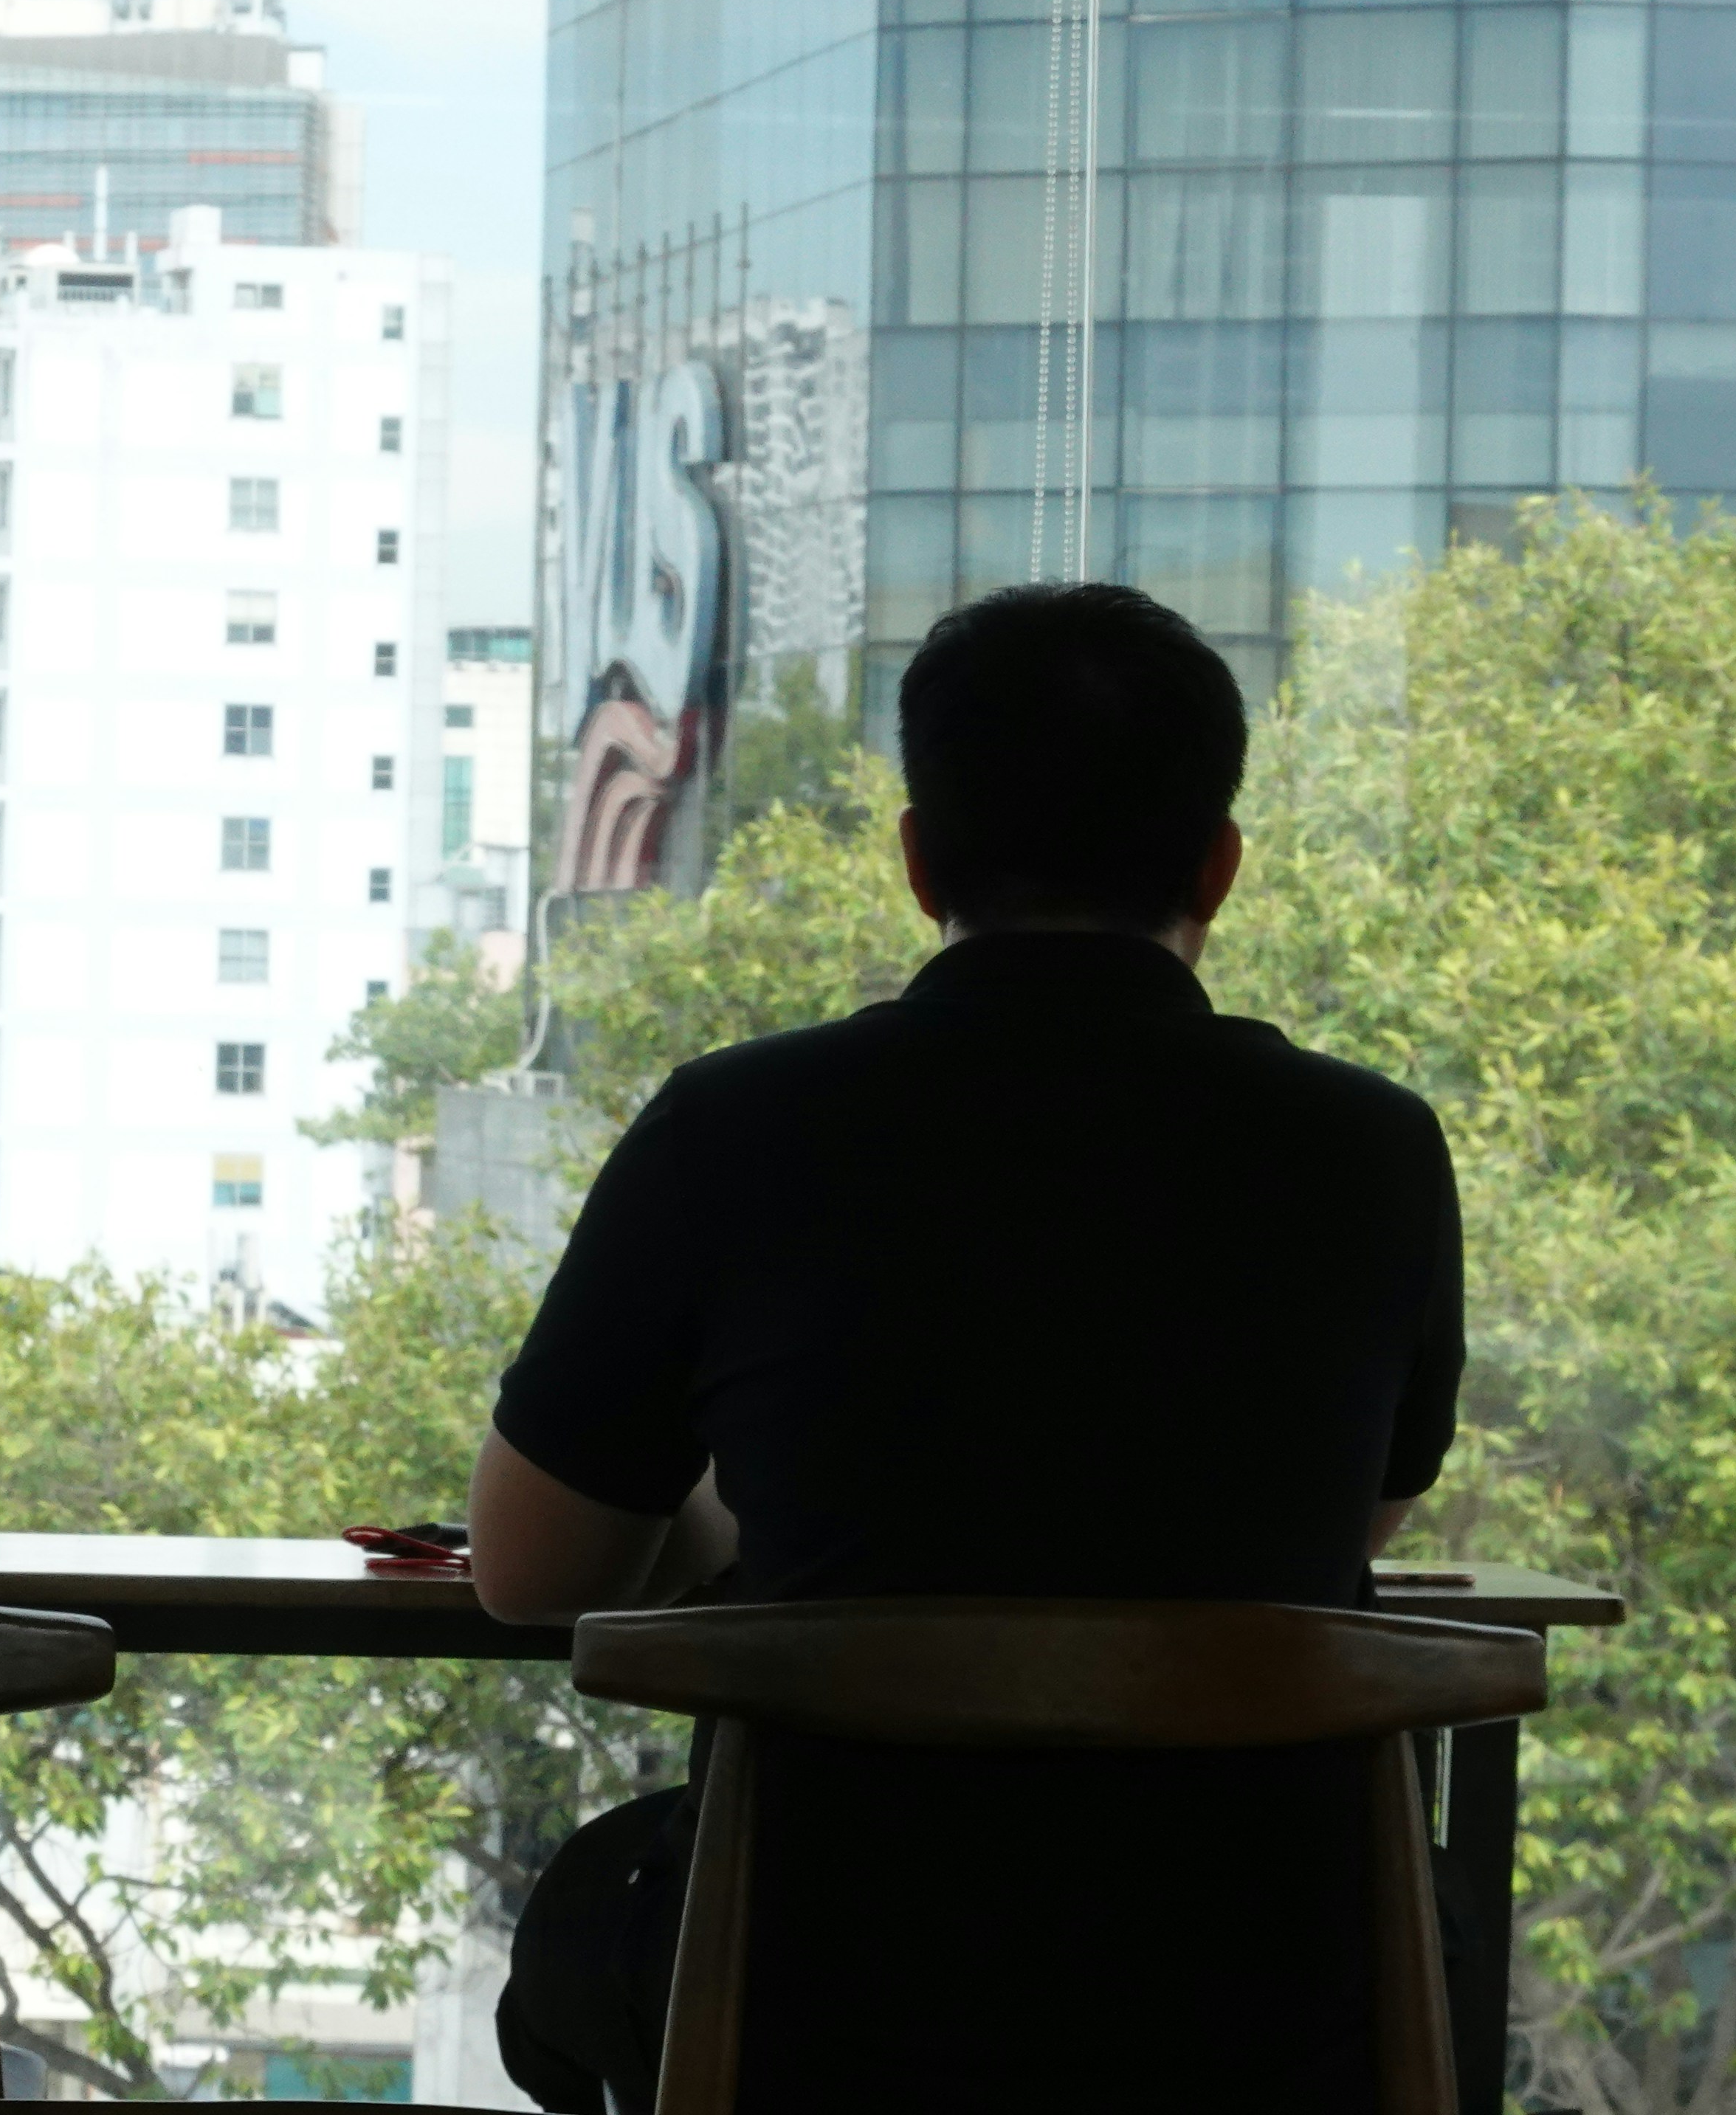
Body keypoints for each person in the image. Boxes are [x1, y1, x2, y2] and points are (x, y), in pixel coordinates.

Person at [472, 582, 1464, 2111]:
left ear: (919, 859)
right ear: (1219, 864)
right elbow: (1347, 1521)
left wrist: (755, 1510)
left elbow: (531, 1574)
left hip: (821, 2004)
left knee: (579, 1952)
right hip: (1264, 2011)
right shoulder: (1374, 1153)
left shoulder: (737, 1129)